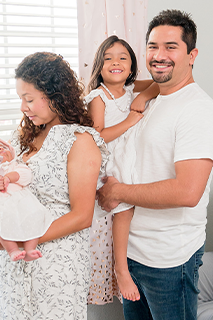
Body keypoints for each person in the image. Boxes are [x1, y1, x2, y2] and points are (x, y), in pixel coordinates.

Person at [97, 9, 213, 320]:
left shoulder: (198, 110)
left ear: (192, 54)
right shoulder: (148, 96)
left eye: (171, 46)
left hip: (170, 257)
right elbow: (122, 82)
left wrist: (117, 192)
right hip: (132, 251)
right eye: (153, 46)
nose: (159, 54)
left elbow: (186, 192)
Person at [0, 52, 107, 320]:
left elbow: (81, 215)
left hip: (53, 266)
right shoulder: (27, 139)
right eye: (21, 99)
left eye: (29, 98)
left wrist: (18, 235)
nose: (24, 107)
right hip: (11, 265)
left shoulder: (80, 141)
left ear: (54, 94)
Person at [85, 35, 159, 303]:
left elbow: (158, 83)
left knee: (140, 203)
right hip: (111, 160)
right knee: (123, 211)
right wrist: (129, 121)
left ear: (131, 67)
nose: (115, 62)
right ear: (99, 66)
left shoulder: (129, 90)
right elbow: (98, 136)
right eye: (108, 58)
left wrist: (144, 96)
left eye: (122, 58)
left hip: (130, 155)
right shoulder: (99, 96)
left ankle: (132, 263)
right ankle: (121, 269)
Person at [0, 134, 53, 262]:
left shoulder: (13, 165)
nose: (1, 149)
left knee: (36, 215)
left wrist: (10, 177)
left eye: (4, 147)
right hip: (0, 205)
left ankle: (30, 249)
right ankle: (12, 250)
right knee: (1, 224)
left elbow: (26, 175)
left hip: (21, 202)